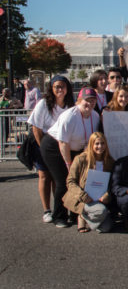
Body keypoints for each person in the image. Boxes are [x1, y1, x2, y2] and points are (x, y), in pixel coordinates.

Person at [41, 87, 101, 228]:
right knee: (64, 181)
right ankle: (59, 216)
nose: (90, 104)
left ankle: (74, 213)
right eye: (87, 100)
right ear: (79, 100)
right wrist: (68, 163)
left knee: (80, 181)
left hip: (77, 149)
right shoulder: (70, 116)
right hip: (55, 147)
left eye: (93, 101)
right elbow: (63, 143)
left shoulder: (95, 116)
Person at [27, 75, 75, 224]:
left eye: (63, 86)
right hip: (44, 143)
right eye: (57, 87)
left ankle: (58, 208)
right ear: (52, 89)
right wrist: (43, 148)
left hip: (62, 146)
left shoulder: (70, 104)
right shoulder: (43, 104)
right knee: (45, 176)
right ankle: (47, 210)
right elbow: (36, 128)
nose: (60, 89)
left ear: (67, 88)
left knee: (59, 178)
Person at [63, 132, 115, 233]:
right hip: (84, 199)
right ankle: (82, 216)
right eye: (97, 144)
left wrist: (107, 194)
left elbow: (112, 183)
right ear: (91, 144)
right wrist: (82, 195)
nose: (100, 146)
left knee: (105, 228)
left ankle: (86, 218)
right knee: (102, 211)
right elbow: (70, 181)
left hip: (100, 200)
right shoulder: (81, 159)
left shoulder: (109, 161)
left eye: (103, 143)